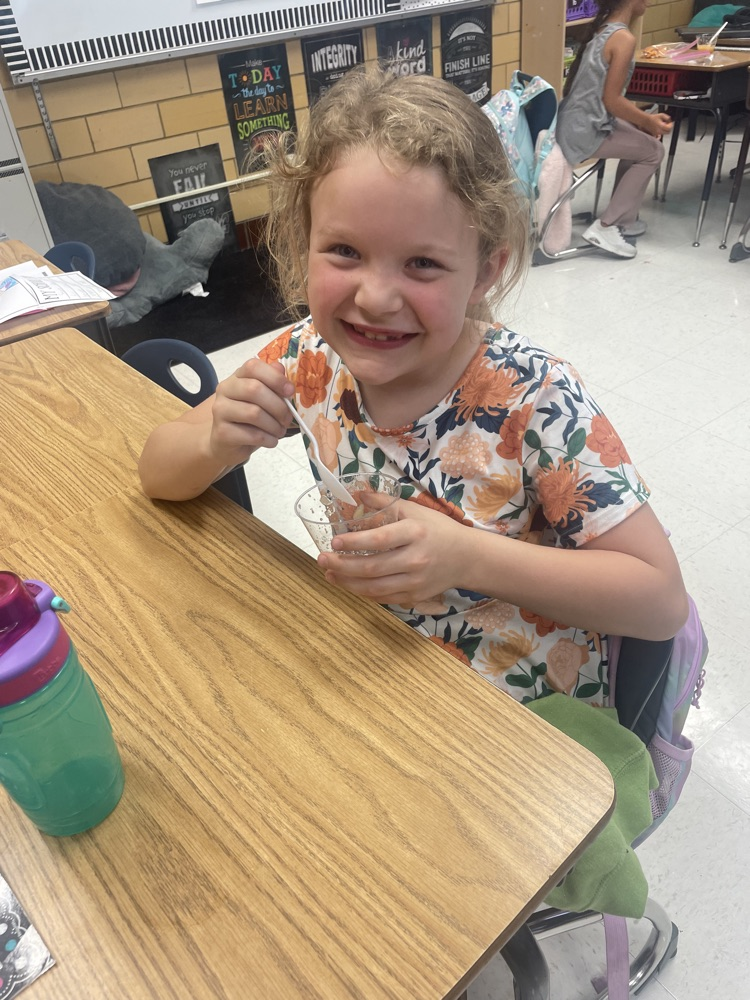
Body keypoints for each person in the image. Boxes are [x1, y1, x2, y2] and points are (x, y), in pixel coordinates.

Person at [138, 67, 687, 706]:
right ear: (302, 243)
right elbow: (156, 470)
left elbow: (660, 601)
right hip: (375, 669)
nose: (374, 299)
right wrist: (212, 442)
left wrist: (470, 559)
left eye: (422, 263)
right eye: (343, 250)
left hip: (523, 717)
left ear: (485, 271)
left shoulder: (536, 396)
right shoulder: (307, 362)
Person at [556, 0, 673, 259]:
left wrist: (643, 122)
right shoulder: (623, 39)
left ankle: (624, 220)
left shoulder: (605, 29)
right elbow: (612, 101)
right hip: (584, 130)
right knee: (653, 152)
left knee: (641, 140)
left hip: (576, 122)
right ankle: (608, 226)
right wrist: (649, 121)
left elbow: (607, 100)